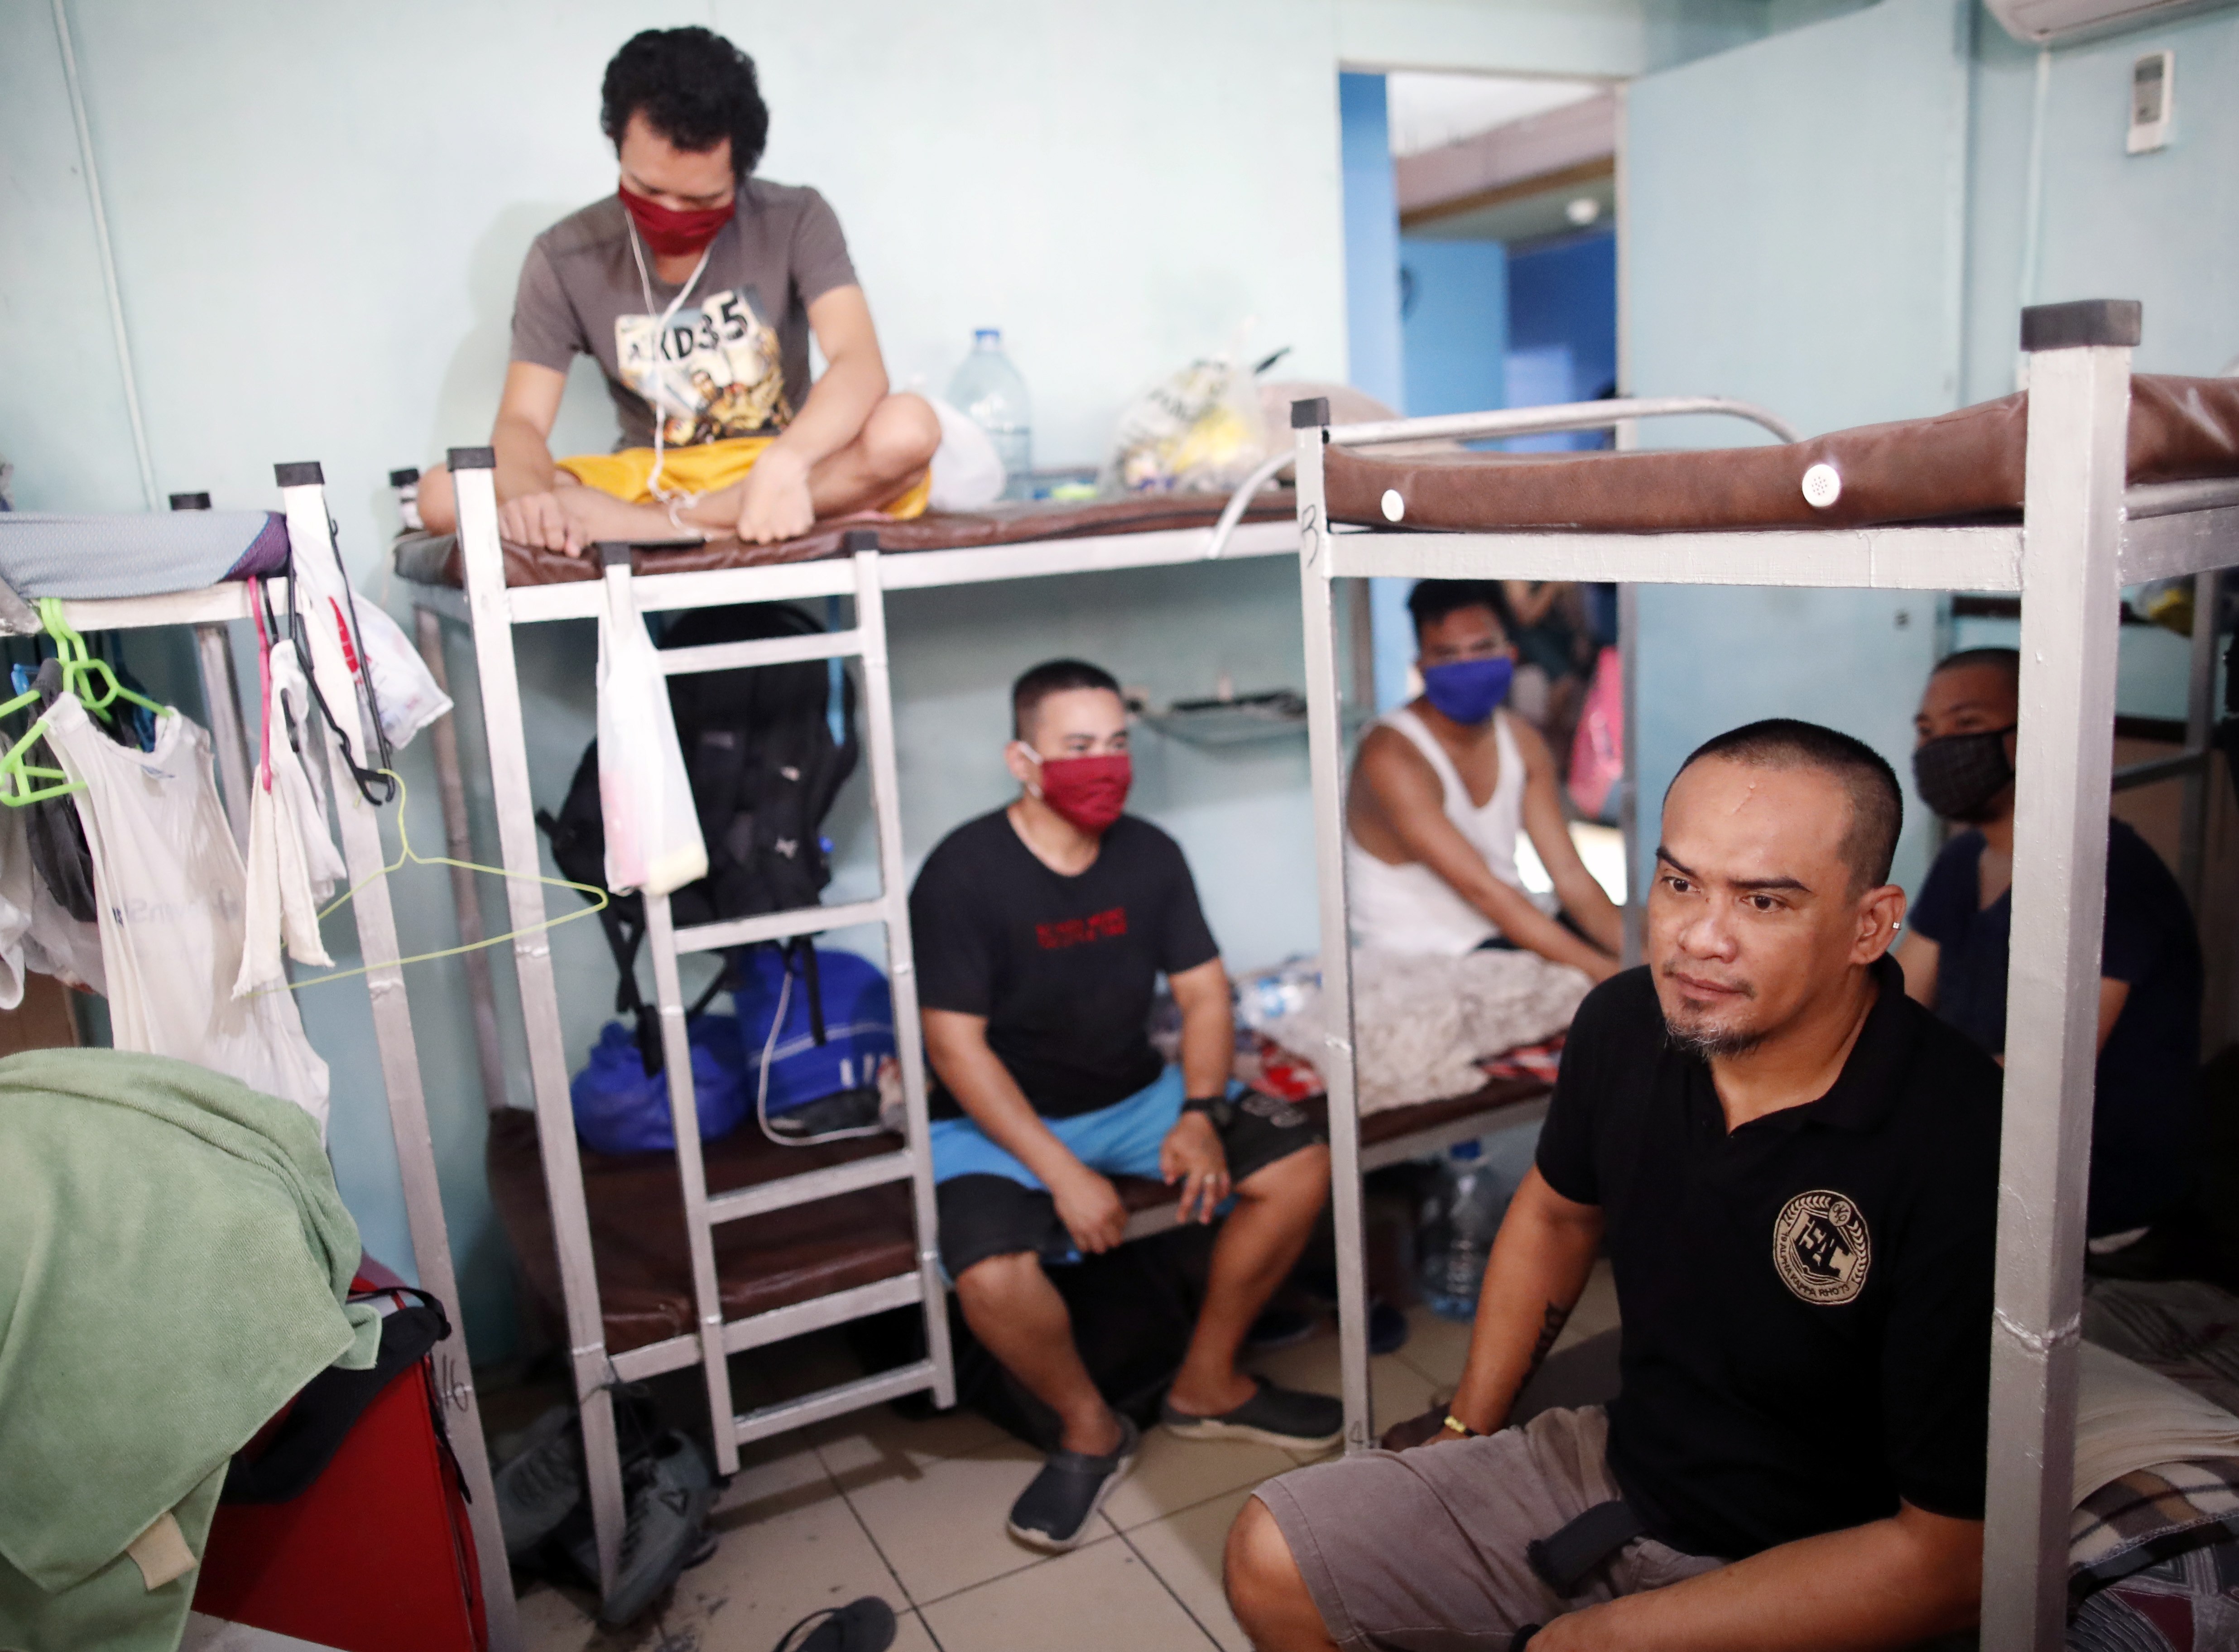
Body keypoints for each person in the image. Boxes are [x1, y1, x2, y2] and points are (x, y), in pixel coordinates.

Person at [1226, 719, 2002, 1650]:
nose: (1698, 940)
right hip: (1624, 1470)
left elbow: (1950, 1563)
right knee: (1270, 1556)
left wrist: (1614, 1634)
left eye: (1763, 903)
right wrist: (1469, 1424)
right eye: (1679, 884)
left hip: (1828, 1554)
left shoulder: (1956, 1137)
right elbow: (1556, 1214)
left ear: (1870, 925)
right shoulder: (1625, 1025)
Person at [909, 660, 1340, 1552]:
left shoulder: (1150, 856)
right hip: (995, 1122)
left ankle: (1207, 1386)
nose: (1102, 765)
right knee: (992, 1274)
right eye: (1077, 749)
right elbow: (955, 1047)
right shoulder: (964, 872)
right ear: (1023, 761)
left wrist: (1196, 1110)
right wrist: (1061, 1172)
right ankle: (1089, 1430)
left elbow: (1205, 999)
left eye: (1116, 744)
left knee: (1301, 1161)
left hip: (1135, 1097)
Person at [416, 27, 939, 555]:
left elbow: (859, 363)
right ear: (617, 146)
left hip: (777, 462)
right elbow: (522, 421)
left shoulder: (797, 217)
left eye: (700, 200)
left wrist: (787, 463)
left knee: (910, 428)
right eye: (647, 191)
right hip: (647, 474)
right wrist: (533, 502)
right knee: (442, 493)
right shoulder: (563, 255)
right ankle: (704, 519)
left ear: (739, 173)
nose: (669, 215)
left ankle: (671, 522)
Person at [1896, 646, 2203, 1251]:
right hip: (1978, 1150)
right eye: (1927, 733)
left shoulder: (2108, 879)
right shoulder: (1963, 862)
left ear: (2035, 732)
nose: (1938, 752)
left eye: (1967, 728)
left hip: (2097, 1204)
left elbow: (2044, 1077)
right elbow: (1896, 999)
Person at [1345, 580, 1621, 979]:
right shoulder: (1391, 755)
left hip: (1505, 930)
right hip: (1429, 954)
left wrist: (1640, 961)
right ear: (1421, 665)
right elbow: (1484, 893)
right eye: (1448, 654)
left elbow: (1570, 876)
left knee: (1646, 934)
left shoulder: (1522, 741)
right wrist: (1608, 974)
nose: (1466, 664)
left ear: (1511, 653)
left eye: (1481, 649)